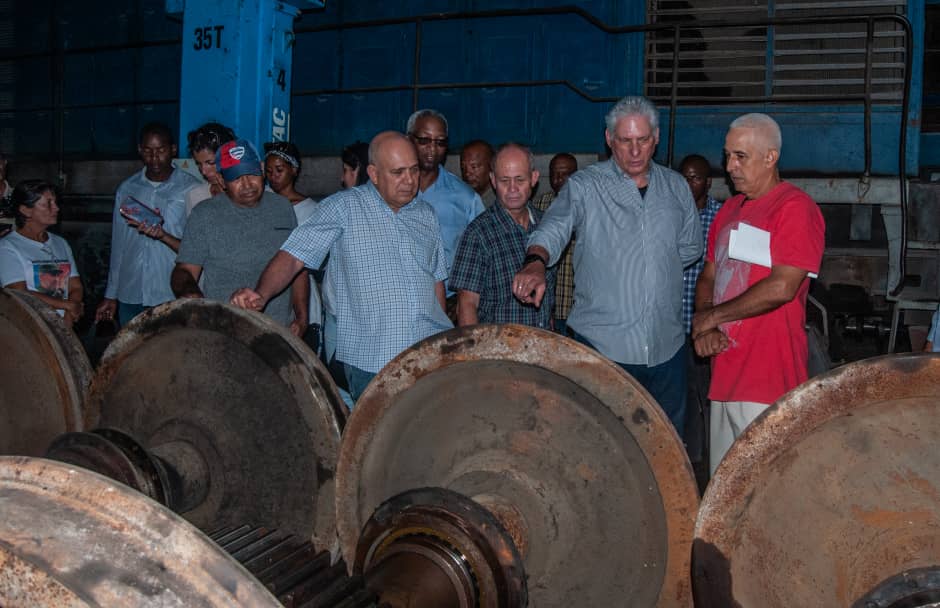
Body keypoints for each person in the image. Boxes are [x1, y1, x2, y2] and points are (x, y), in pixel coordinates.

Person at [512, 95, 702, 434]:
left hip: (667, 350)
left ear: (655, 138)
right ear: (608, 139)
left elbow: (688, 249)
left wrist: (648, 270)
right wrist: (536, 262)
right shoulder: (584, 187)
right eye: (624, 141)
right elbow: (553, 228)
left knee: (666, 449)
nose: (634, 151)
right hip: (604, 351)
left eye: (642, 140)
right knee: (601, 448)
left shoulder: (676, 188)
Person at [230, 131, 452, 402]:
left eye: (414, 170)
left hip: (427, 351)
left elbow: (436, 281)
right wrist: (261, 294)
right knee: (378, 438)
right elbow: (293, 256)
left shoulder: (426, 215)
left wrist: (443, 341)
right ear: (373, 173)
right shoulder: (342, 208)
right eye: (398, 172)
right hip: (373, 358)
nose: (409, 181)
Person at [692, 113, 825, 475]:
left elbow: (784, 286)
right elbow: (710, 275)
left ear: (770, 157)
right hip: (724, 376)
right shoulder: (729, 211)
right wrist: (705, 328)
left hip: (768, 380)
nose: (730, 166)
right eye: (728, 155)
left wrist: (712, 317)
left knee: (767, 492)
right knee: (725, 491)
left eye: (741, 156)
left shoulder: (795, 209)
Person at [171, 138, 308, 334]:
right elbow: (184, 270)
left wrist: (302, 317)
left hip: (278, 331)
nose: (247, 185)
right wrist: (191, 294)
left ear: (261, 169)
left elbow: (297, 266)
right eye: (236, 178)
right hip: (225, 331)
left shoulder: (282, 207)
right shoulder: (204, 214)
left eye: (252, 174)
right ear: (220, 179)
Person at [95, 122, 199, 326]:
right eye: (148, 151)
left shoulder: (191, 188)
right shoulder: (127, 188)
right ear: (140, 151)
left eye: (160, 150)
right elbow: (119, 245)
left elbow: (197, 247)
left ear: (173, 149)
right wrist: (111, 294)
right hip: (131, 291)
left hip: (169, 291)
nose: (154, 157)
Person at [450, 143, 556, 328]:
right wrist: (475, 354)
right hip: (498, 352)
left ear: (534, 178)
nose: (512, 188)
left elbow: (548, 299)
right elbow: (467, 305)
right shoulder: (478, 234)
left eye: (520, 180)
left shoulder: (547, 226)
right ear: (493, 180)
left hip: (543, 349)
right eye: (504, 181)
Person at [676, 153, 723, 479]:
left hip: (705, 325)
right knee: (682, 397)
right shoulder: (671, 213)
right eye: (684, 177)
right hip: (672, 324)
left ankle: (711, 462)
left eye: (695, 178)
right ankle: (688, 462)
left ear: (707, 182)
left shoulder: (721, 217)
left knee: (708, 395)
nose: (689, 183)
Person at [407, 109, 484, 284]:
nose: (432, 149)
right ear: (409, 140)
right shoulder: (390, 191)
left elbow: (481, 257)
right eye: (424, 140)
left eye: (440, 142)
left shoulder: (466, 198)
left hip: (447, 302)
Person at [264, 140, 323, 352]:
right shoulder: (263, 206)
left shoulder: (312, 211)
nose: (273, 177)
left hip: (301, 297)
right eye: (269, 171)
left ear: (294, 170)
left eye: (279, 170)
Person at [0, 180, 83, 325]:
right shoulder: (8, 247)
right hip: (30, 328)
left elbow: (75, 286)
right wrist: (66, 305)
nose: (56, 208)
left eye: (55, 202)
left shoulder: (60, 243)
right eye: (48, 203)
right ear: (26, 210)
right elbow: (19, 293)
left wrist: (69, 316)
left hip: (63, 323)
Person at [532, 153, 578, 335]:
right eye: (554, 174)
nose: (559, 179)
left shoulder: (587, 207)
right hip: (548, 303)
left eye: (565, 174)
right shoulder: (540, 204)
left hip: (576, 305)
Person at [185, 122, 236, 216]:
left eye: (210, 163)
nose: (204, 171)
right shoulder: (195, 196)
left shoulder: (250, 193)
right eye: (198, 164)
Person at [460, 140, 496, 208]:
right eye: (463, 168)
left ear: (491, 166)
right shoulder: (461, 197)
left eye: (474, 167)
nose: (467, 173)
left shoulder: (501, 201)